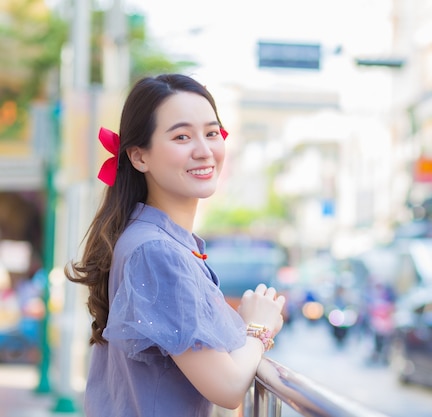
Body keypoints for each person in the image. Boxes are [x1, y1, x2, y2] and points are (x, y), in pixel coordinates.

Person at [65, 74, 285, 417]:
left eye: (211, 133)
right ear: (139, 157)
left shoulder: (151, 239)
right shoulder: (156, 252)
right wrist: (259, 327)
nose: (204, 150)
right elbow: (227, 388)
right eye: (182, 136)